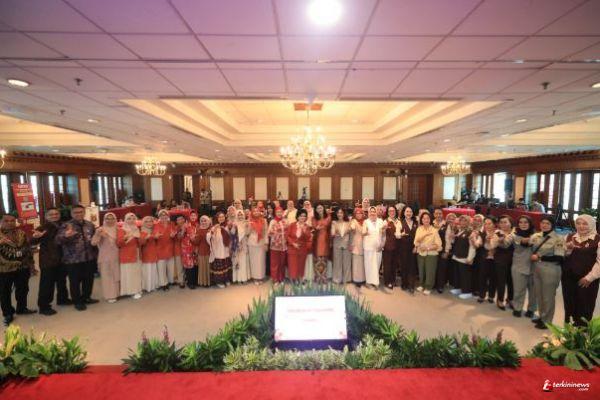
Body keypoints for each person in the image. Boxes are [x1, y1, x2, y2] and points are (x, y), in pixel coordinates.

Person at [56, 204, 98, 311]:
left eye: (81, 212)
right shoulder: (66, 226)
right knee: (75, 281)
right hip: (73, 259)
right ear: (71, 214)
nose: (78, 214)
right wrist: (66, 236)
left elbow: (94, 239)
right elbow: (57, 240)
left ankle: (86, 297)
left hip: (89, 257)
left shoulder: (90, 225)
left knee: (88, 279)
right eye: (76, 212)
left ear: (84, 213)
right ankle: (77, 301)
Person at [563, 214, 599, 326]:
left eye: (585, 224)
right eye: (578, 223)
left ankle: (582, 330)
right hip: (569, 277)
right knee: (570, 302)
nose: (581, 226)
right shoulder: (569, 236)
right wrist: (568, 249)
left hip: (587, 279)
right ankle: (571, 328)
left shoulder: (597, 240)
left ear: (591, 225)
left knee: (585, 305)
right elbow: (561, 255)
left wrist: (589, 278)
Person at [32, 207, 70, 315]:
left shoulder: (64, 225)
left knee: (62, 281)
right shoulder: (42, 227)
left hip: (62, 258)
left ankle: (62, 299)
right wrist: (36, 237)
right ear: (46, 216)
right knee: (47, 284)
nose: (54, 216)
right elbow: (32, 242)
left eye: (56, 213)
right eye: (51, 214)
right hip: (48, 260)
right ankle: (44, 306)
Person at [0, 213, 35, 325]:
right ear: (1, 222)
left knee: (23, 289)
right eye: (6, 221)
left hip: (22, 266)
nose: (10, 223)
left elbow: (28, 249)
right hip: (4, 269)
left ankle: (22, 308)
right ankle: (8, 313)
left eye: (12, 220)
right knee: (4, 292)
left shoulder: (21, 233)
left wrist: (32, 265)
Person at [530, 217, 564, 329]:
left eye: (547, 223)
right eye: (542, 223)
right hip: (537, 268)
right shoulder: (536, 236)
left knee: (548, 297)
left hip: (550, 269)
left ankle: (547, 321)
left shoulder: (558, 239)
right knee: (539, 295)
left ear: (552, 225)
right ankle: (542, 316)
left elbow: (559, 258)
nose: (544, 225)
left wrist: (540, 257)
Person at [510, 216, 537, 318]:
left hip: (534, 267)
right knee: (518, 290)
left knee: (533, 292)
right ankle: (517, 308)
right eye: (520, 222)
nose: (523, 224)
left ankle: (531, 309)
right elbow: (524, 241)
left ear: (530, 223)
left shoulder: (536, 235)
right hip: (519, 266)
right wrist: (536, 238)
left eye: (526, 222)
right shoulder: (514, 235)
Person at [91, 212, 120, 303]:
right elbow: (93, 243)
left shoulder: (118, 229)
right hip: (105, 256)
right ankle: (110, 295)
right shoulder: (101, 229)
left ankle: (117, 293)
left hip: (117, 255)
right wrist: (98, 234)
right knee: (107, 275)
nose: (110, 220)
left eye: (112, 218)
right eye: (107, 218)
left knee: (117, 274)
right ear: (104, 219)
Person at [449, 215, 479, 300]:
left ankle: (467, 292)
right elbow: (454, 242)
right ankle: (458, 288)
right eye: (461, 220)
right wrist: (452, 237)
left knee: (465, 276)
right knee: (457, 274)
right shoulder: (459, 231)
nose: (463, 222)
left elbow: (472, 247)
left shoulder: (471, 232)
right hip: (457, 256)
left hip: (465, 257)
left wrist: (470, 258)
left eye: (465, 221)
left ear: (469, 222)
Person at [414, 211, 442, 295]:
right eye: (424, 218)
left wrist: (427, 248)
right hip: (420, 253)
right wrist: (424, 235)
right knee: (421, 271)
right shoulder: (419, 229)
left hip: (431, 254)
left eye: (427, 218)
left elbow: (439, 245)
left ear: (430, 219)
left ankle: (428, 287)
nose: (426, 220)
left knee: (430, 271)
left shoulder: (434, 230)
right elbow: (416, 241)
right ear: (421, 220)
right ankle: (421, 285)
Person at [491, 215, 515, 310]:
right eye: (501, 222)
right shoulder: (497, 233)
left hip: (514, 260)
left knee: (511, 281)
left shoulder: (515, 233)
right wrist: (499, 241)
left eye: (505, 222)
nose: (503, 224)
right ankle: (500, 300)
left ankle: (510, 299)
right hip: (500, 259)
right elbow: (494, 245)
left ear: (510, 223)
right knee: (501, 281)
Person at [117, 212, 142, 300]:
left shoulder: (136, 229)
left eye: (133, 218)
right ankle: (131, 291)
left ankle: (136, 289)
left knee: (136, 272)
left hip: (136, 252)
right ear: (125, 220)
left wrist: (141, 238)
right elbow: (119, 243)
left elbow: (140, 243)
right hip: (126, 253)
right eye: (129, 218)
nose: (131, 220)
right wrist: (126, 236)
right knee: (129, 273)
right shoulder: (121, 230)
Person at [286, 209, 311, 283]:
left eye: (304, 216)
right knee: (292, 265)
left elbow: (308, 238)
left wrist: (304, 230)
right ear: (297, 216)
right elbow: (287, 236)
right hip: (292, 248)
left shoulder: (307, 226)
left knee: (301, 265)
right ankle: (293, 279)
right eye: (301, 216)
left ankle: (300, 278)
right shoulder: (292, 225)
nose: (302, 217)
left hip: (302, 249)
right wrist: (293, 243)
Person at [362, 206, 385, 289]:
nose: (372, 213)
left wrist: (382, 245)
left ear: (376, 212)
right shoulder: (366, 222)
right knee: (368, 265)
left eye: (374, 211)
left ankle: (375, 282)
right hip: (368, 247)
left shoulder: (380, 221)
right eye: (371, 211)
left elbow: (383, 234)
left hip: (378, 247)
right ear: (368, 213)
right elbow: (363, 232)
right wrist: (365, 232)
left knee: (377, 264)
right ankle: (368, 282)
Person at [208, 212, 232, 288]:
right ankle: (219, 281)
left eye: (223, 217)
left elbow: (231, 236)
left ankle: (226, 279)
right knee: (219, 267)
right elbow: (209, 237)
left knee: (226, 265)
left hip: (225, 250)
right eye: (220, 217)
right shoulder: (214, 227)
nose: (221, 218)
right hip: (218, 250)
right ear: (217, 218)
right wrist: (214, 230)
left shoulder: (227, 226)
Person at [398, 206, 418, 293]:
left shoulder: (416, 223)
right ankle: (404, 284)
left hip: (413, 248)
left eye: (410, 211)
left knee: (412, 267)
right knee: (404, 266)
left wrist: (416, 247)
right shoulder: (400, 222)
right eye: (407, 211)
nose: (409, 213)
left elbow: (419, 236)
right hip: (403, 248)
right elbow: (397, 234)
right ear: (404, 213)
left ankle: (411, 285)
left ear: (412, 213)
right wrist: (400, 234)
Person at [478, 217, 498, 304]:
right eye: (485, 224)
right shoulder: (482, 234)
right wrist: (475, 241)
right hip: (484, 258)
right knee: (482, 277)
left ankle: (491, 296)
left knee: (493, 278)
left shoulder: (498, 233)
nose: (487, 225)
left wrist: (494, 249)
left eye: (489, 223)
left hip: (495, 259)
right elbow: (478, 244)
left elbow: (501, 246)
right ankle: (481, 295)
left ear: (494, 224)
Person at [435, 213, 456, 293]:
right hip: (439, 249)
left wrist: (446, 251)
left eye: (453, 218)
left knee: (442, 269)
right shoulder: (444, 225)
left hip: (445, 250)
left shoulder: (452, 227)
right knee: (439, 268)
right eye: (449, 218)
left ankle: (440, 286)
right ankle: (438, 284)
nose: (451, 220)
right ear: (446, 219)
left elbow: (448, 241)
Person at [155, 210, 175, 290]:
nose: (163, 216)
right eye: (161, 215)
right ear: (159, 217)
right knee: (161, 267)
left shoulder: (171, 224)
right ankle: (163, 283)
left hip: (170, 247)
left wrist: (173, 235)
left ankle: (170, 281)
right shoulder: (156, 225)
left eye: (165, 215)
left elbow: (175, 233)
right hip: (160, 248)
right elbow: (154, 235)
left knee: (170, 267)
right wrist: (156, 236)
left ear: (168, 216)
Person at [177, 215, 198, 289]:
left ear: (184, 219)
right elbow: (179, 237)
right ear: (177, 222)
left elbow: (194, 237)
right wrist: (183, 230)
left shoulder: (191, 226)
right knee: (189, 266)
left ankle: (195, 281)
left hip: (193, 247)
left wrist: (196, 246)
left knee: (195, 265)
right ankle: (190, 283)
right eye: (178, 220)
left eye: (181, 219)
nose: (180, 221)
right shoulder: (178, 228)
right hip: (185, 249)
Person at [331, 207, 352, 285]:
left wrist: (350, 244)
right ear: (336, 214)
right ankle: (337, 279)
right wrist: (334, 233)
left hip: (347, 244)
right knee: (337, 262)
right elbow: (332, 232)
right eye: (338, 213)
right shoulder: (334, 222)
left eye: (341, 213)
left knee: (347, 262)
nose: (339, 214)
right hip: (337, 244)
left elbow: (351, 235)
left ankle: (347, 279)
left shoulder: (348, 222)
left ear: (344, 214)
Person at [139, 216, 159, 293]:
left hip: (154, 253)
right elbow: (140, 243)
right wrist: (146, 238)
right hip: (146, 254)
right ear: (143, 223)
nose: (149, 223)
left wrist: (156, 237)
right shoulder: (141, 231)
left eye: (150, 221)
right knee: (147, 270)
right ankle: (147, 287)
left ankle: (153, 286)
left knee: (153, 270)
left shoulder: (154, 231)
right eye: (146, 221)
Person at [313, 203, 331, 284]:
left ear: (323, 208)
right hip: (317, 241)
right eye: (318, 208)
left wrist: (327, 214)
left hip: (325, 240)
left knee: (324, 260)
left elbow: (328, 225)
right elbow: (314, 227)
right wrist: (317, 227)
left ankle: (323, 277)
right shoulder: (314, 218)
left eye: (321, 208)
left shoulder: (328, 217)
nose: (319, 210)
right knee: (317, 260)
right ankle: (317, 277)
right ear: (316, 210)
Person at [248, 206, 267, 284]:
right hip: (252, 243)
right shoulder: (250, 220)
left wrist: (266, 243)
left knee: (261, 261)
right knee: (253, 261)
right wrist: (249, 226)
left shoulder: (264, 220)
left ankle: (260, 277)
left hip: (261, 242)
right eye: (254, 211)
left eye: (257, 211)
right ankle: (255, 277)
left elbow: (266, 232)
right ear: (252, 213)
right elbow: (247, 233)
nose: (256, 212)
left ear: (259, 212)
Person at [268, 206, 287, 284]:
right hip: (275, 246)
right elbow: (269, 233)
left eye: (280, 212)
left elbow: (288, 231)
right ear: (275, 213)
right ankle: (275, 279)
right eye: (277, 212)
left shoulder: (285, 221)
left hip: (284, 246)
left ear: (282, 213)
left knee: (282, 263)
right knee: (275, 263)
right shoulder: (272, 221)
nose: (279, 213)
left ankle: (281, 278)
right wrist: (276, 233)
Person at [382, 206, 399, 289]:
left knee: (394, 264)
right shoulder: (385, 221)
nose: (392, 212)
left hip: (396, 246)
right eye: (390, 211)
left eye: (393, 211)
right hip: (387, 246)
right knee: (387, 265)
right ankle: (387, 281)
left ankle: (393, 280)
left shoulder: (398, 221)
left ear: (395, 212)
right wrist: (383, 229)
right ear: (388, 212)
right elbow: (381, 233)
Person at [349, 207, 366, 287]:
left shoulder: (365, 222)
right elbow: (352, 228)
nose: (358, 215)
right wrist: (352, 227)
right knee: (356, 263)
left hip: (364, 244)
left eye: (360, 213)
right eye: (357, 213)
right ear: (355, 214)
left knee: (362, 263)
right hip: (356, 244)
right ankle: (356, 280)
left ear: (362, 214)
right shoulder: (353, 221)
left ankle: (362, 279)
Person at [233, 210, 250, 283]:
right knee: (238, 261)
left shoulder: (246, 222)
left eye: (241, 215)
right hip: (237, 244)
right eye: (238, 215)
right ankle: (238, 278)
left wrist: (247, 227)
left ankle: (244, 278)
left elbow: (248, 233)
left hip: (244, 243)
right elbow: (232, 233)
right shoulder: (234, 223)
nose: (240, 216)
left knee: (244, 261)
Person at [196, 215, 211, 287]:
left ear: (208, 221)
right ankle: (204, 282)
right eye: (202, 221)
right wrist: (193, 238)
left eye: (205, 221)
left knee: (209, 267)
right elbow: (196, 242)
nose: (203, 222)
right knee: (202, 268)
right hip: (202, 251)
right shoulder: (198, 230)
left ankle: (209, 282)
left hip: (210, 251)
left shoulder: (211, 229)